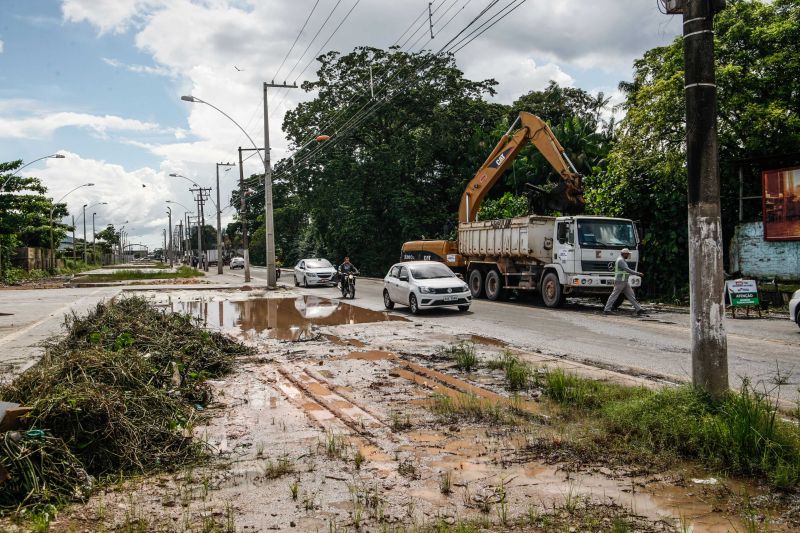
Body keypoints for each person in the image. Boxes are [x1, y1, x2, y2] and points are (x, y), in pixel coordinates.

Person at [603, 248, 646, 316]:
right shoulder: (620, 260)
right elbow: (627, 270)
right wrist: (638, 273)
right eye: (628, 254)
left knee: (631, 295)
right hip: (620, 281)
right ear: (624, 254)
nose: (628, 255)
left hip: (624, 281)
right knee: (614, 295)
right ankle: (607, 309)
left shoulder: (622, 260)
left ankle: (639, 309)